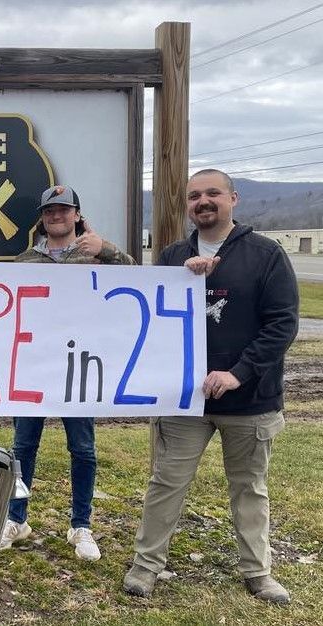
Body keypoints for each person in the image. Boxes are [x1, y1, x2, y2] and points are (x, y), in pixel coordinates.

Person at [123, 169, 299, 604]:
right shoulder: (171, 257)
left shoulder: (266, 255)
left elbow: (282, 325)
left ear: (233, 199)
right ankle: (146, 566)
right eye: (194, 195)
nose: (203, 201)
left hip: (251, 400)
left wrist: (238, 372)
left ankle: (258, 572)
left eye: (213, 193)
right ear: (187, 205)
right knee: (166, 482)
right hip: (184, 401)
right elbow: (149, 317)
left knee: (249, 487)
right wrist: (183, 278)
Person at [0, 185, 135, 559]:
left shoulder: (98, 254)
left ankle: (81, 526)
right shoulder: (25, 260)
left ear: (77, 214)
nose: (56, 216)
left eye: (63, 210)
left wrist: (105, 250)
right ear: (42, 219)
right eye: (49, 211)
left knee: (83, 448)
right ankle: (17, 518)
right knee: (23, 446)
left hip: (82, 364)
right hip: (35, 365)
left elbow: (139, 279)